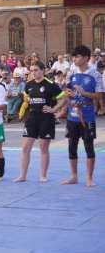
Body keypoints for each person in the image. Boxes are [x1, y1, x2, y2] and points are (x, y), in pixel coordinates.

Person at [13, 61, 68, 183]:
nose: (34, 73)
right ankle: (23, 175)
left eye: (36, 70)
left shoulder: (50, 84)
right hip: (32, 118)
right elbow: (26, 96)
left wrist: (53, 109)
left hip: (45, 119)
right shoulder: (29, 84)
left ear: (43, 70)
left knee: (43, 149)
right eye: (32, 70)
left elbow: (64, 99)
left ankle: (43, 175)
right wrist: (28, 99)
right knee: (25, 148)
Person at [61, 45, 103, 187]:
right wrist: (69, 94)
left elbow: (99, 95)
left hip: (87, 115)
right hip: (72, 115)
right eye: (73, 56)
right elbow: (67, 91)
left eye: (77, 56)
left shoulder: (95, 74)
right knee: (72, 145)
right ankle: (74, 176)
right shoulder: (71, 72)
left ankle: (89, 178)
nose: (74, 59)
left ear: (85, 58)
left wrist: (84, 93)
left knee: (88, 146)